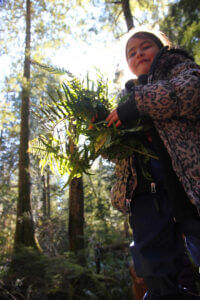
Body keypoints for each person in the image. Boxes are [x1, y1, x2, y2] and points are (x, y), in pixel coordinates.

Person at [106, 27, 200, 299]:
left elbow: (192, 93)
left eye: (145, 46)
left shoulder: (179, 69)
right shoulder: (126, 98)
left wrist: (139, 103)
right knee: (157, 275)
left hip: (189, 186)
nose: (138, 54)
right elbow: (117, 154)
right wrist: (103, 130)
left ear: (161, 48)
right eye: (131, 53)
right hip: (148, 197)